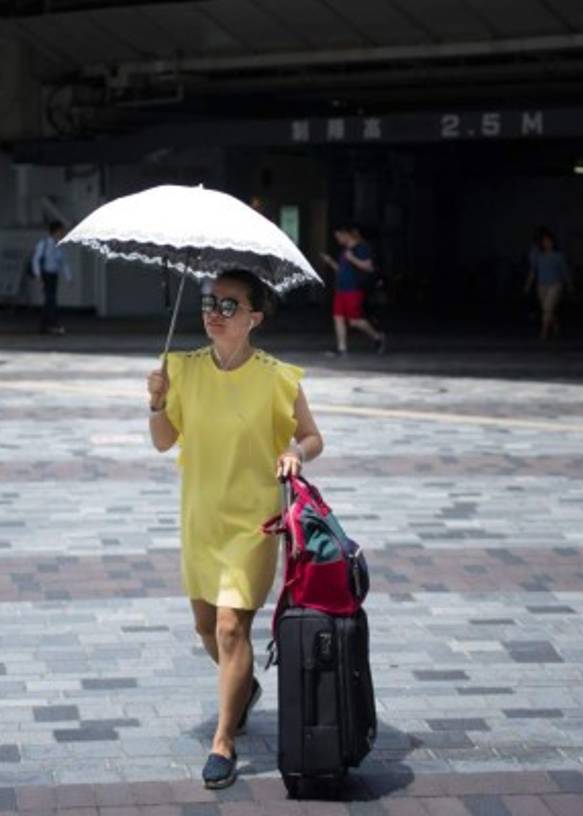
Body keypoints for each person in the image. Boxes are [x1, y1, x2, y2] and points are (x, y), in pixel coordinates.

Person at [145, 269, 324, 790]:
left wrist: (296, 452)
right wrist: (157, 402)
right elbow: (163, 441)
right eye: (210, 303)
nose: (215, 314)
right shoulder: (181, 368)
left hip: (254, 522)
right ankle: (242, 688)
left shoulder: (277, 377)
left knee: (230, 628)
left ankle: (223, 740)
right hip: (201, 517)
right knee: (206, 626)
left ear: (254, 318)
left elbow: (313, 437)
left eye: (229, 305)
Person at [320, 225, 386, 356]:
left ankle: (378, 336)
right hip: (340, 289)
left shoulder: (361, 248)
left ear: (346, 234)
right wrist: (330, 262)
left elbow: (369, 267)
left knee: (354, 321)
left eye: (339, 236)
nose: (338, 240)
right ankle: (342, 348)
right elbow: (341, 270)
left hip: (353, 289)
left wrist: (352, 259)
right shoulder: (345, 250)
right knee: (338, 317)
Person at [523, 227, 572, 340]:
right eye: (544, 241)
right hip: (542, 285)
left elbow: (565, 271)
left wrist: (569, 284)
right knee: (547, 308)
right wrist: (528, 284)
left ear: (553, 242)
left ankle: (543, 332)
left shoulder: (558, 256)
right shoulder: (538, 256)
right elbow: (533, 271)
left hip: (555, 284)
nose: (547, 243)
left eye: (549, 241)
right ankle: (555, 326)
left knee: (547, 307)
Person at [31, 221, 70, 335]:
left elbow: (63, 261)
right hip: (45, 275)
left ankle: (44, 325)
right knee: (51, 299)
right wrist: (38, 275)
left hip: (54, 275)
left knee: (49, 300)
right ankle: (53, 324)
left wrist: (68, 276)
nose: (63, 233)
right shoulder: (44, 244)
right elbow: (36, 259)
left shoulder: (59, 245)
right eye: (61, 230)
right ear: (56, 231)